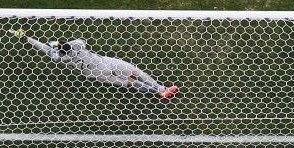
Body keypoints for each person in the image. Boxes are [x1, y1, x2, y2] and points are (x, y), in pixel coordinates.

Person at [12, 29, 179, 98]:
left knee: (130, 82)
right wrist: (54, 43)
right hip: (105, 63)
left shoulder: (60, 58)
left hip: (94, 74)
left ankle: (159, 92)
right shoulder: (77, 44)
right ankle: (162, 89)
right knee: (135, 72)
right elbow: (76, 41)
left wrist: (26, 38)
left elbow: (45, 47)